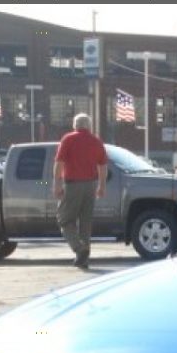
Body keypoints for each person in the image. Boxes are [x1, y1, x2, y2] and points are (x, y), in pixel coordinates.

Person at [53, 113, 107, 268]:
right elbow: (103, 166)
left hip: (72, 185)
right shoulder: (96, 141)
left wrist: (56, 184)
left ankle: (79, 248)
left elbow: (59, 163)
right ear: (89, 126)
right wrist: (102, 186)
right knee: (85, 223)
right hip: (90, 185)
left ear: (75, 125)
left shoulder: (68, 139)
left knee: (64, 219)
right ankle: (83, 259)